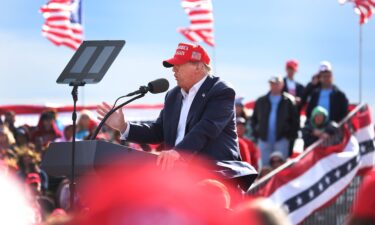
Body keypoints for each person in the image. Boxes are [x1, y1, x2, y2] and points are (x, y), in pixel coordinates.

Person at [97, 43, 253, 184]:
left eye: (179, 65)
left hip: (214, 176)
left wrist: (178, 153)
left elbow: (207, 128)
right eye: (173, 66)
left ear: (198, 66)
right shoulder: (173, 95)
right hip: (179, 176)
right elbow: (158, 131)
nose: (173, 70)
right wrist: (124, 127)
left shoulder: (221, 90)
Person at [251, 76, 299, 168]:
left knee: (281, 168)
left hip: (282, 140)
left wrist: (289, 136)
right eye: (272, 84)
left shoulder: (289, 101)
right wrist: (257, 134)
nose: (274, 86)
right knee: (265, 168)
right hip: (264, 140)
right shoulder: (261, 101)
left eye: (277, 84)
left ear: (282, 85)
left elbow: (295, 121)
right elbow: (254, 120)